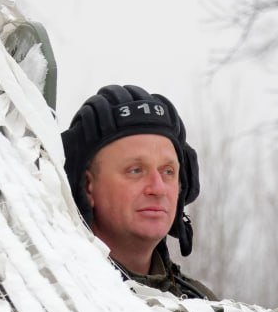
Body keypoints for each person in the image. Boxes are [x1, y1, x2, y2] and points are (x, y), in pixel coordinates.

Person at [61, 84, 215, 300]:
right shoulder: (52, 298)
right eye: (136, 171)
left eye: (168, 172)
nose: (158, 188)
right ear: (87, 187)